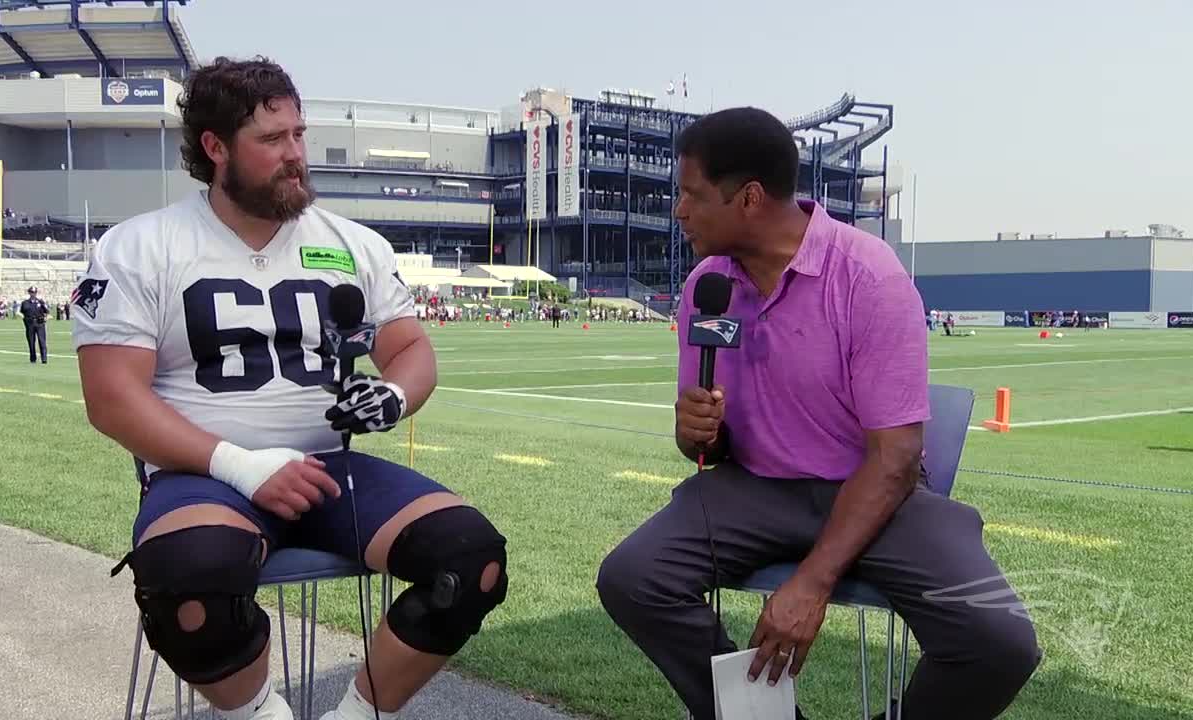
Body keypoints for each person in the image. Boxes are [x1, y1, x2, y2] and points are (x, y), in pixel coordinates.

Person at [72, 57, 508, 720]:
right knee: (191, 585)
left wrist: (392, 396)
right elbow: (111, 397)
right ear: (216, 148)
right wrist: (242, 466)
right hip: (205, 472)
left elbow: (410, 348)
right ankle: (259, 714)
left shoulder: (352, 243)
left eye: (299, 135)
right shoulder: (141, 246)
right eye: (272, 140)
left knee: (471, 560)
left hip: (330, 469)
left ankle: (357, 716)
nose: (296, 155)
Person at [596, 107, 1040, 720]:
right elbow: (710, 446)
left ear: (748, 197)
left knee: (1000, 644)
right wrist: (696, 433)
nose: (679, 211)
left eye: (692, 195)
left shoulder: (868, 276)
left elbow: (897, 457)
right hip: (753, 489)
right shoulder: (707, 286)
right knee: (631, 578)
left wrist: (811, 581)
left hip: (875, 492)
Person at [20, 285, 49, 363]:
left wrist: (45, 317)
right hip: (30, 324)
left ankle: (44, 358)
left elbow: (46, 311)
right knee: (31, 342)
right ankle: (33, 358)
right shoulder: (25, 303)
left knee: (42, 341)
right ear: (29, 293)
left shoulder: (40, 302)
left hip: (40, 323)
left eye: (34, 292)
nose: (33, 294)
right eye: (32, 292)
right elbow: (22, 312)